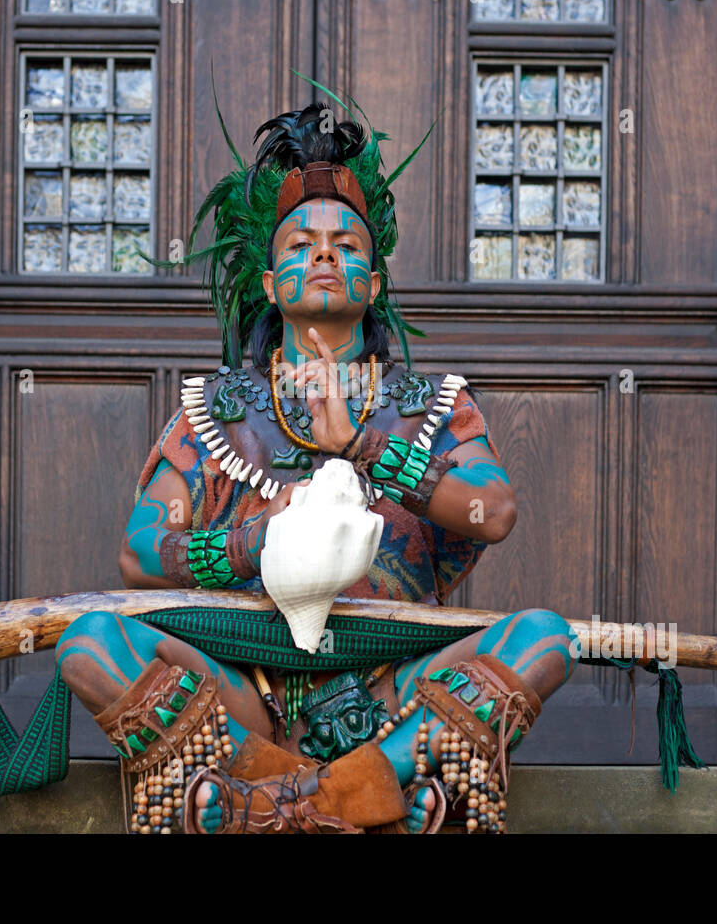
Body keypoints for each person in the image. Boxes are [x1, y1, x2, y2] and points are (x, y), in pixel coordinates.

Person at [55, 99, 576, 833]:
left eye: (346, 246)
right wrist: (250, 543)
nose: (325, 254)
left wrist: (365, 450)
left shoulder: (429, 405)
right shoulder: (214, 412)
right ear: (271, 285)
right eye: (301, 243)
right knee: (88, 643)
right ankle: (359, 797)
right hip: (244, 695)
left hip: (396, 689)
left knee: (547, 638)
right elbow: (139, 552)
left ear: (372, 284)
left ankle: (282, 803)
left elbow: (496, 511)